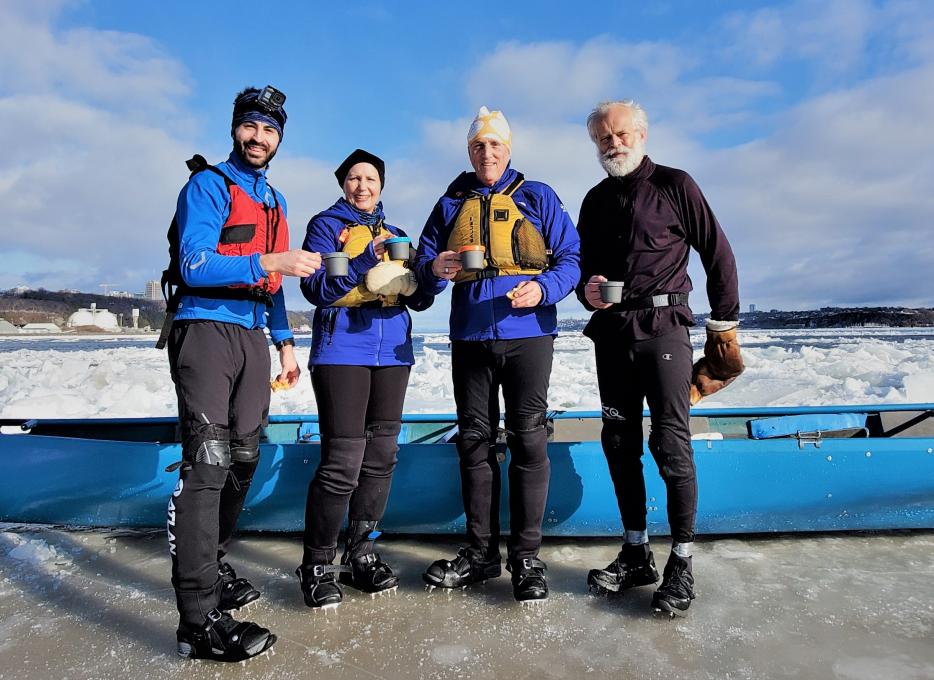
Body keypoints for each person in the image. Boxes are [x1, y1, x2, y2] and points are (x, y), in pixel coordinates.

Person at [163, 85, 321, 661]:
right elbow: (195, 263)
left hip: (254, 338)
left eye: (271, 129)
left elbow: (274, 287)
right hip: (204, 329)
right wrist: (269, 260)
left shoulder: (275, 200)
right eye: (251, 126)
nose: (259, 137)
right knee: (207, 463)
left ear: (281, 137)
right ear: (236, 129)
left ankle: (214, 559)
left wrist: (284, 343)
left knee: (245, 456)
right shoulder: (206, 186)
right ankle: (198, 619)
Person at [576, 100, 743, 615]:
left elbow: (717, 252)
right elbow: (581, 272)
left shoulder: (676, 184)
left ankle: (682, 564)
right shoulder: (595, 200)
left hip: (666, 330)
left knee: (669, 441)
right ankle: (635, 553)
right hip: (612, 333)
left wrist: (724, 323)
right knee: (619, 441)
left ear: (642, 134)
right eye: (604, 138)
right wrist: (588, 291)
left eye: (622, 134)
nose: (614, 144)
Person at [414, 107, 580, 602]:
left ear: (508, 149)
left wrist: (545, 288)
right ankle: (480, 553)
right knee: (474, 442)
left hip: (528, 336)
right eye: (477, 146)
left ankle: (526, 557)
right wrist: (436, 266)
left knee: (529, 441)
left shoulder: (538, 196)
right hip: (470, 338)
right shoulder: (450, 202)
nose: (486, 153)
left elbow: (571, 258)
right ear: (469, 152)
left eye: (494, 145)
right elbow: (423, 261)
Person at [296, 149, 434, 609]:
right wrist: (361, 261)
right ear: (343, 184)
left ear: (381, 185)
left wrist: (432, 276)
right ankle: (316, 564)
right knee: (342, 462)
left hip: (393, 354)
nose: (362, 185)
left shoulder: (397, 234)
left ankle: (361, 551)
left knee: (381, 456)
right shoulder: (325, 226)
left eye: (370, 178)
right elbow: (317, 290)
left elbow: (420, 301)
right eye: (353, 178)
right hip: (342, 352)